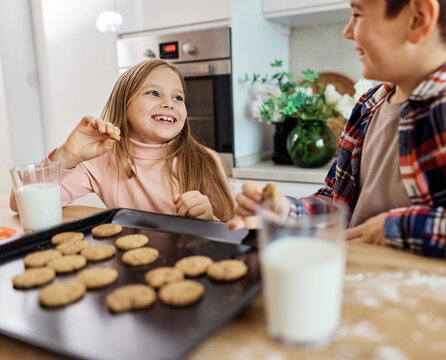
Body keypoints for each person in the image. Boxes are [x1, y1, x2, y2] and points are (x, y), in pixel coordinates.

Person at [228, 0, 446, 257]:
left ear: (418, 18)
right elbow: (339, 200)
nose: (347, 30)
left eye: (357, 13)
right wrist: (287, 212)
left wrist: (393, 228)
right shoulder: (368, 106)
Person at [10, 59, 234, 222]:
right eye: (154, 93)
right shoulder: (100, 159)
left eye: (178, 97)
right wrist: (67, 156)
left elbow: (233, 228)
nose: (169, 103)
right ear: (123, 105)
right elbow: (20, 205)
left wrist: (209, 218)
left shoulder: (203, 159)